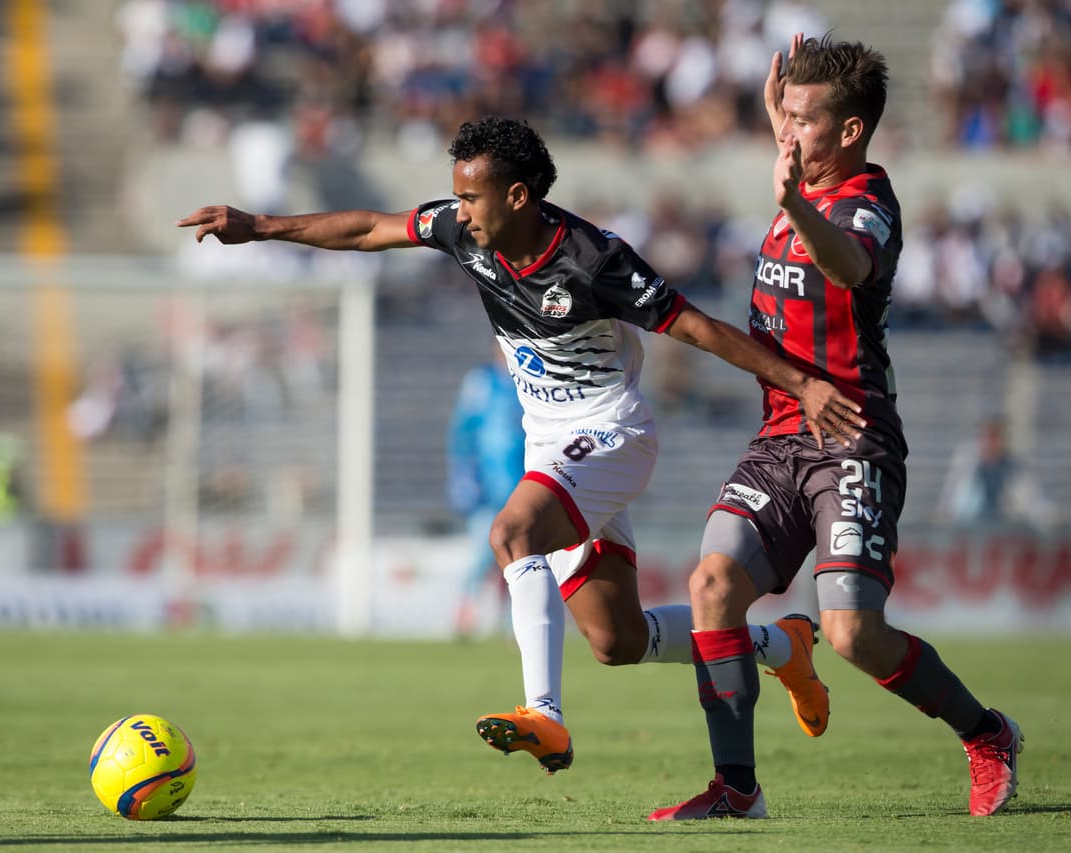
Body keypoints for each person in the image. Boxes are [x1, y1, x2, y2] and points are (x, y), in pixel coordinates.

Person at [178, 116, 865, 776]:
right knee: (615, 639)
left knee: (512, 533)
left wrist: (800, 383)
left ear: (517, 195)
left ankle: (545, 715)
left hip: (612, 434)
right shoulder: (464, 230)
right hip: (553, 450)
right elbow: (367, 227)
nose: (460, 208)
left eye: (472, 195)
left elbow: (700, 328)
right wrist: (262, 226)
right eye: (458, 193)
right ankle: (785, 643)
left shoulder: (593, 260)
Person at [649, 35, 1023, 821]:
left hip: (852, 434)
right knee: (712, 585)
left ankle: (985, 732)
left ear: (849, 132)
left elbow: (849, 267)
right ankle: (735, 789)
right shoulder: (804, 165)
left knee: (853, 632)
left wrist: (788, 202)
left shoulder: (868, 205)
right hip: (780, 433)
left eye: (804, 120)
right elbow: (793, 139)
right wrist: (779, 109)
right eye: (782, 116)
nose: (788, 133)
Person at [447, 349, 526, 636]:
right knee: (482, 554)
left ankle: (512, 624)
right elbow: (462, 429)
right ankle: (465, 612)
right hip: (486, 488)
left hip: (522, 487)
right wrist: (464, 474)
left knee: (520, 558)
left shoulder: (528, 382)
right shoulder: (482, 381)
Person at [938, 416, 1055, 530]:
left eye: (995, 437)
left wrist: (1047, 515)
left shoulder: (1014, 468)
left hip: (1004, 530)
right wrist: (944, 515)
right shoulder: (966, 463)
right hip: (970, 528)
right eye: (987, 437)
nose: (991, 442)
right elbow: (950, 496)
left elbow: (1033, 500)